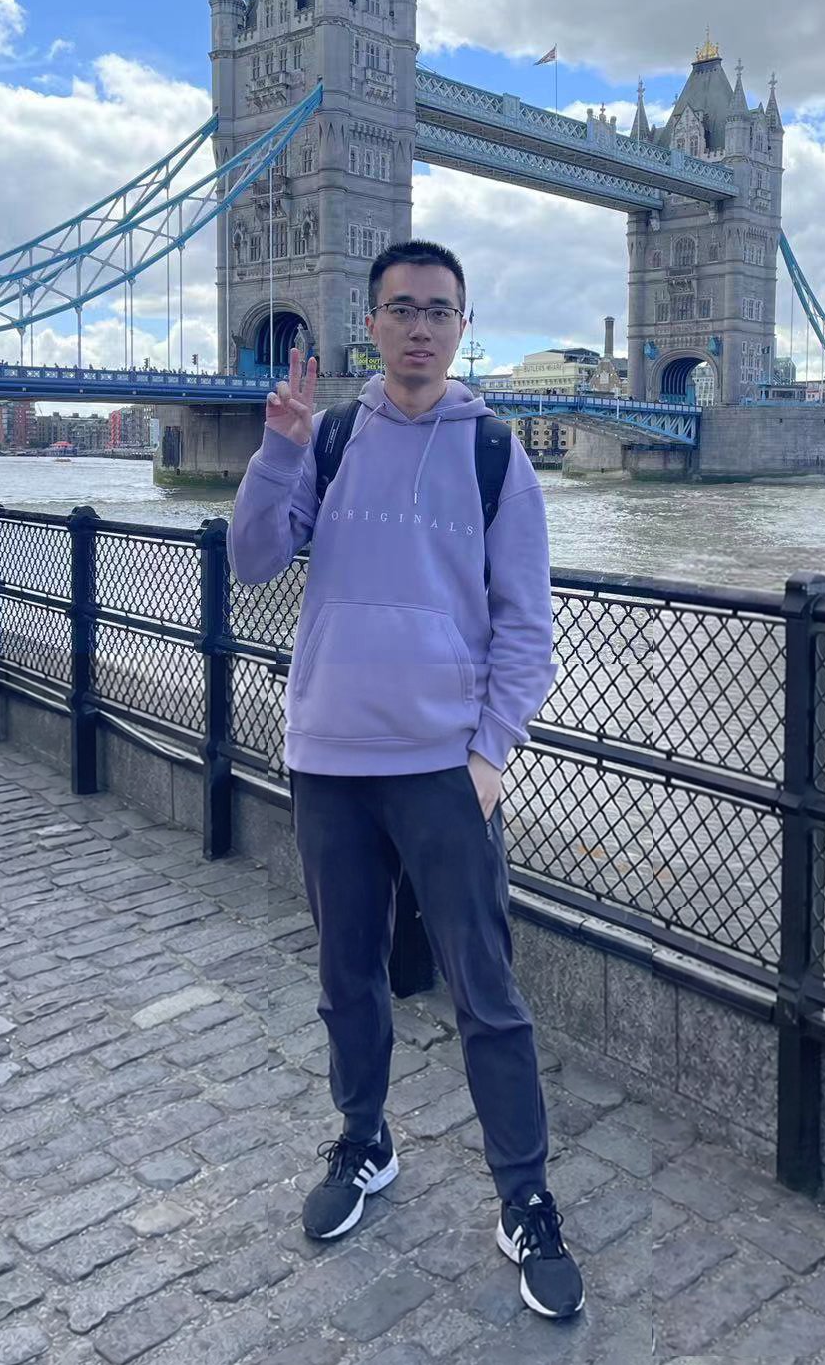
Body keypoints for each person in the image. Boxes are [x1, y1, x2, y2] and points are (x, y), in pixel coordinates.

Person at [227, 239, 584, 1320]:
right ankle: (363, 1143)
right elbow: (248, 563)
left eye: (438, 310)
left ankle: (524, 1199)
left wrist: (485, 761)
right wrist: (276, 453)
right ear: (369, 327)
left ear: (461, 328)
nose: (419, 327)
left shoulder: (493, 455)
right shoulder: (327, 440)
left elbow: (527, 627)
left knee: (489, 997)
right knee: (348, 981)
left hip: (441, 772)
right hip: (329, 760)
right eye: (400, 309)